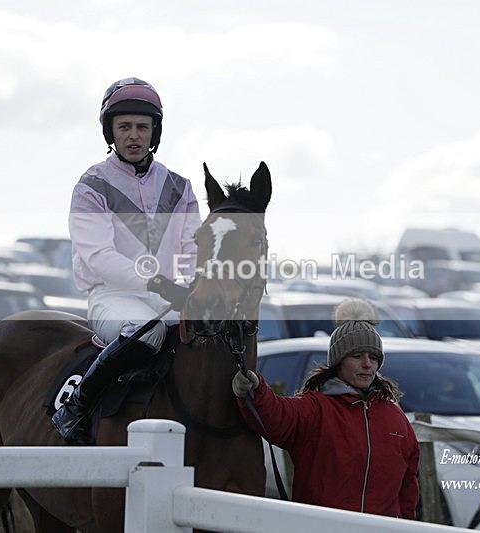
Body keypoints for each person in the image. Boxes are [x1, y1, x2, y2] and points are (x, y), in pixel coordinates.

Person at [52, 77, 201, 445]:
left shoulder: (180, 187)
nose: (133, 135)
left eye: (142, 127)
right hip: (111, 297)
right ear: (111, 132)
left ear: (154, 132)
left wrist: (196, 285)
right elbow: (100, 257)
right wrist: (157, 284)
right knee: (145, 331)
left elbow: (193, 248)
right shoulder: (91, 185)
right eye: (125, 127)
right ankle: (77, 406)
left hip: (168, 298)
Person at [232, 298, 420, 519]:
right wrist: (255, 390)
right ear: (339, 361)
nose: (367, 364)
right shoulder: (315, 408)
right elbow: (276, 415)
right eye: (357, 356)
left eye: (373, 357)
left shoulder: (395, 418)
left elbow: (408, 486)